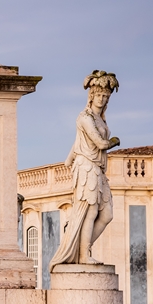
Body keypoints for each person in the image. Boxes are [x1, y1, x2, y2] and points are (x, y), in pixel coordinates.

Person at [49, 71, 120, 268]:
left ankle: (82, 249)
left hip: (97, 169)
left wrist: (68, 158)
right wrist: (113, 141)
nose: (102, 98)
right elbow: (100, 143)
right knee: (88, 213)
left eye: (105, 96)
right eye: (99, 95)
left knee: (107, 215)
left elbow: (78, 140)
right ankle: (84, 254)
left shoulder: (100, 119)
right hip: (87, 167)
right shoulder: (85, 118)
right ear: (91, 96)